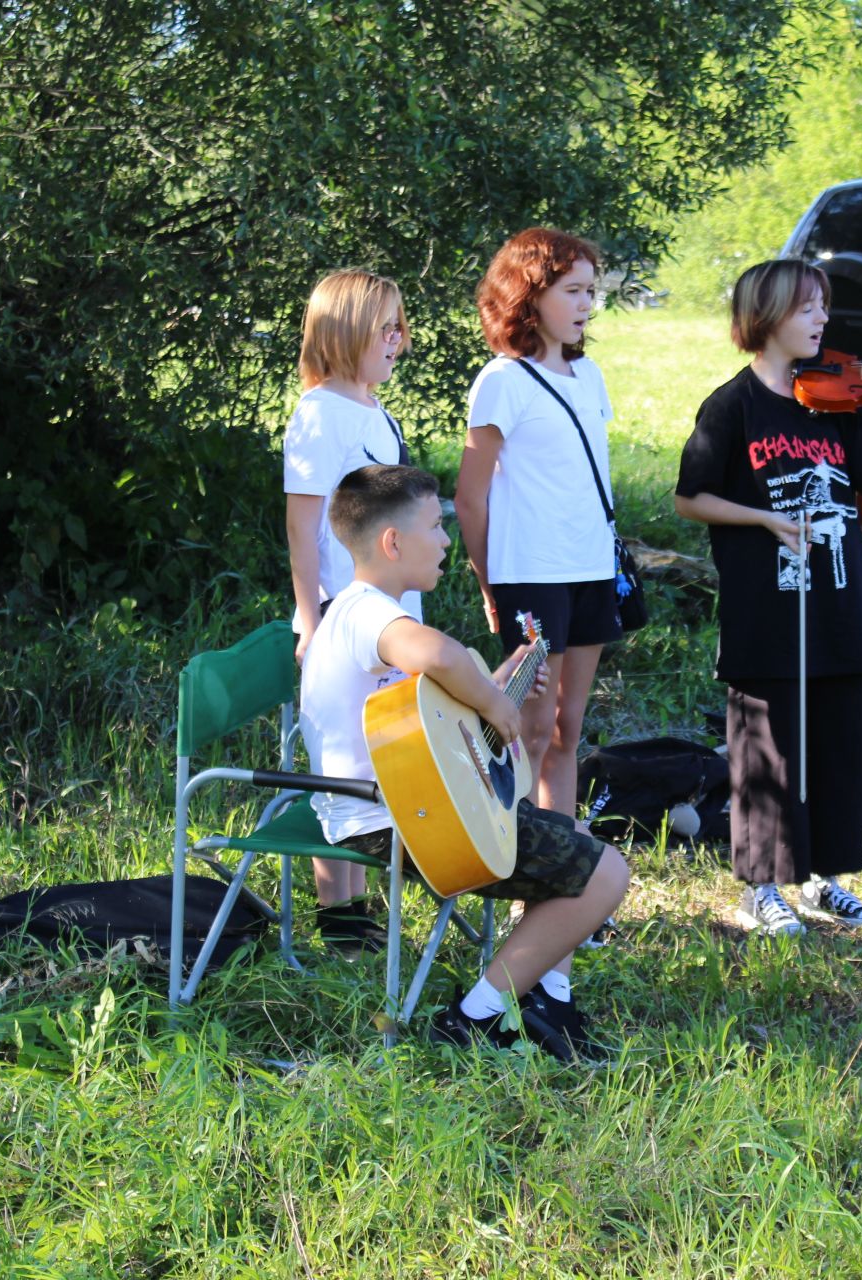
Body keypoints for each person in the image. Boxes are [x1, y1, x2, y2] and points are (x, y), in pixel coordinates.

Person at [298, 463, 631, 1062]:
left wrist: (497, 684)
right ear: (392, 542)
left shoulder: (368, 611)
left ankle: (547, 1000)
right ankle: (475, 1017)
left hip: (407, 805)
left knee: (576, 836)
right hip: (398, 823)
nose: (448, 540)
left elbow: (420, 716)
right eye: (435, 526)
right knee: (608, 874)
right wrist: (495, 704)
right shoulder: (367, 611)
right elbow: (440, 656)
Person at [674, 258, 862, 935]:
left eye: (822, 307)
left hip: (837, 603)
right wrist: (763, 518)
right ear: (765, 318)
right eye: (808, 308)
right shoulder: (732, 406)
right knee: (767, 746)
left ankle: (823, 881)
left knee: (837, 745)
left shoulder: (833, 404)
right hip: (764, 609)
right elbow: (690, 498)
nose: (823, 319)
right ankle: (759, 889)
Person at [456, 228, 620, 819]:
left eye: (589, 292)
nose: (586, 305)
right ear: (530, 295)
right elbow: (470, 499)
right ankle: (520, 872)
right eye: (572, 291)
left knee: (567, 731)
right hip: (531, 575)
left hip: (593, 569)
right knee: (529, 731)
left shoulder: (590, 374)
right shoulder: (501, 380)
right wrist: (488, 586)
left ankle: (566, 869)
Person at [282, 269, 415, 949]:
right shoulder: (319, 413)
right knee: (342, 771)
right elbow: (302, 527)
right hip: (344, 619)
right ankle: (341, 930)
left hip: (389, 621)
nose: (399, 341)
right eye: (386, 327)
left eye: (401, 327)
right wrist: (311, 614)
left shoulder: (373, 411)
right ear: (346, 330)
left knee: (375, 767)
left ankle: (363, 924)